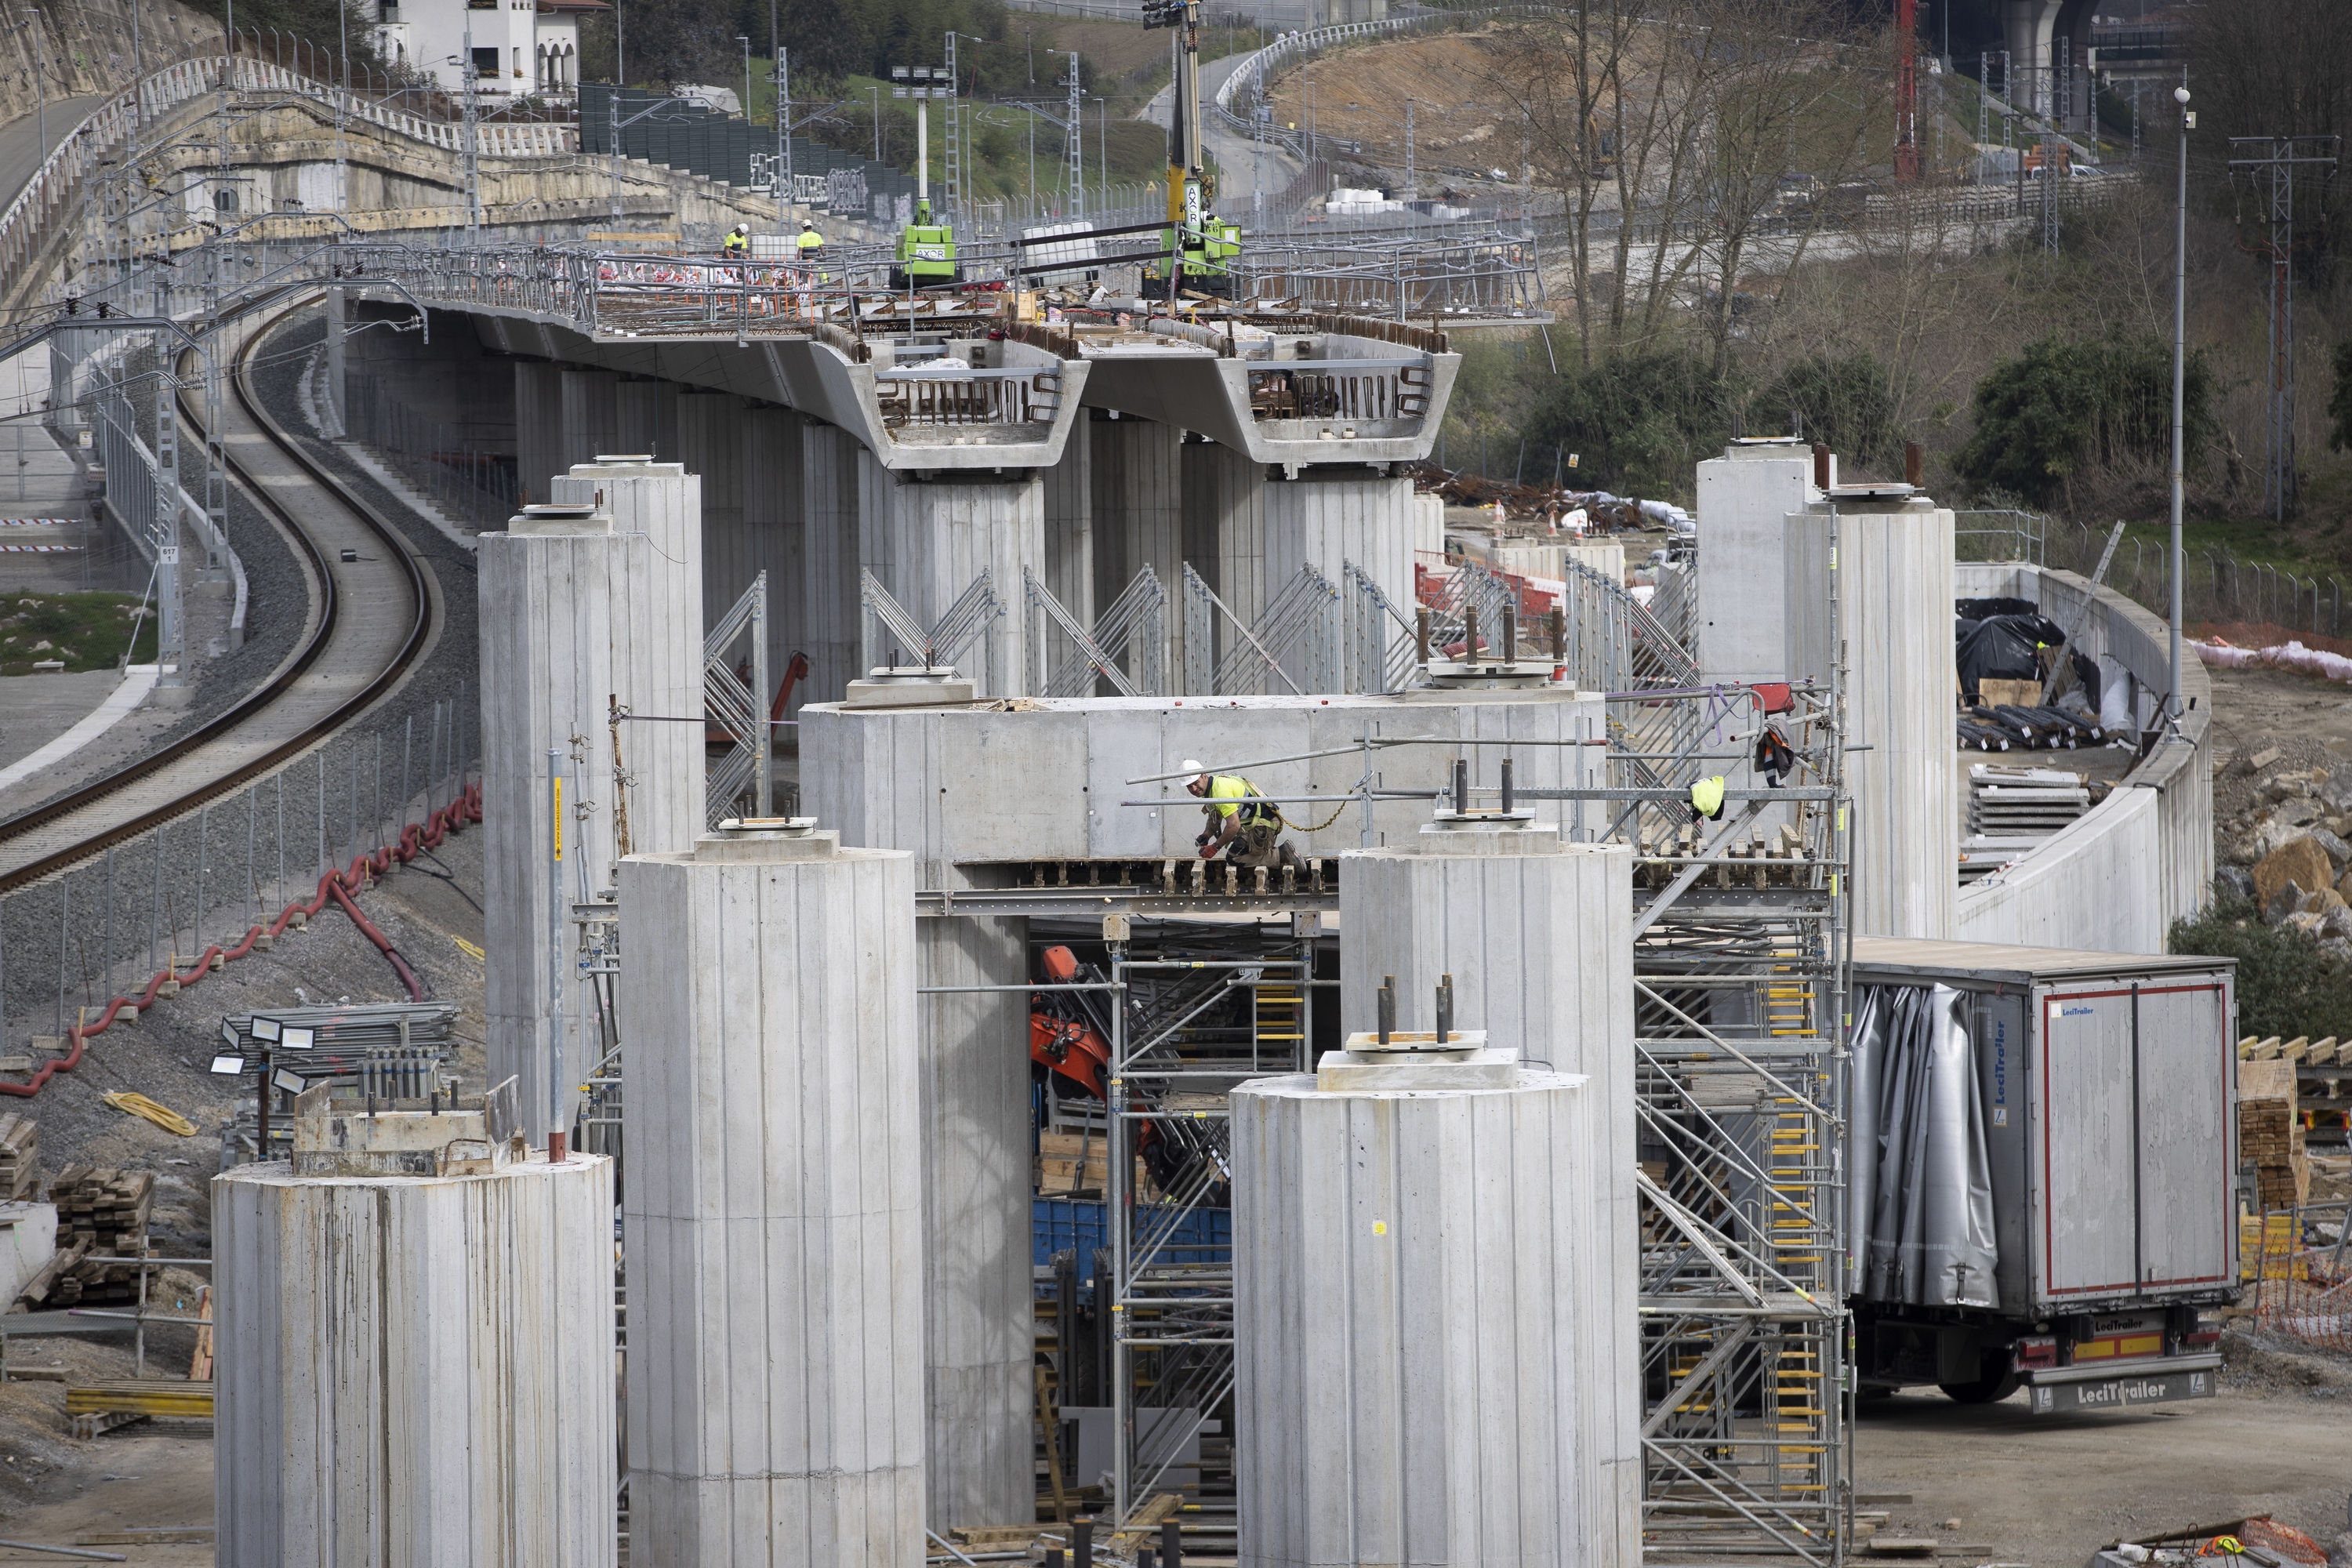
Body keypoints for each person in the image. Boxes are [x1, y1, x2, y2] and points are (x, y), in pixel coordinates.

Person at [1183, 759, 1294, 870]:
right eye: (1189, 786)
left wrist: (1215, 847)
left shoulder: (1220, 791)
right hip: (1254, 823)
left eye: (1196, 783)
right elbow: (1215, 818)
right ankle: (1269, 853)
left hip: (1265, 823)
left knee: (1234, 858)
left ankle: (1281, 854)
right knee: (1235, 843)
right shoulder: (1210, 789)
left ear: (1204, 776)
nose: (1194, 789)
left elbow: (1234, 825)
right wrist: (1206, 835)